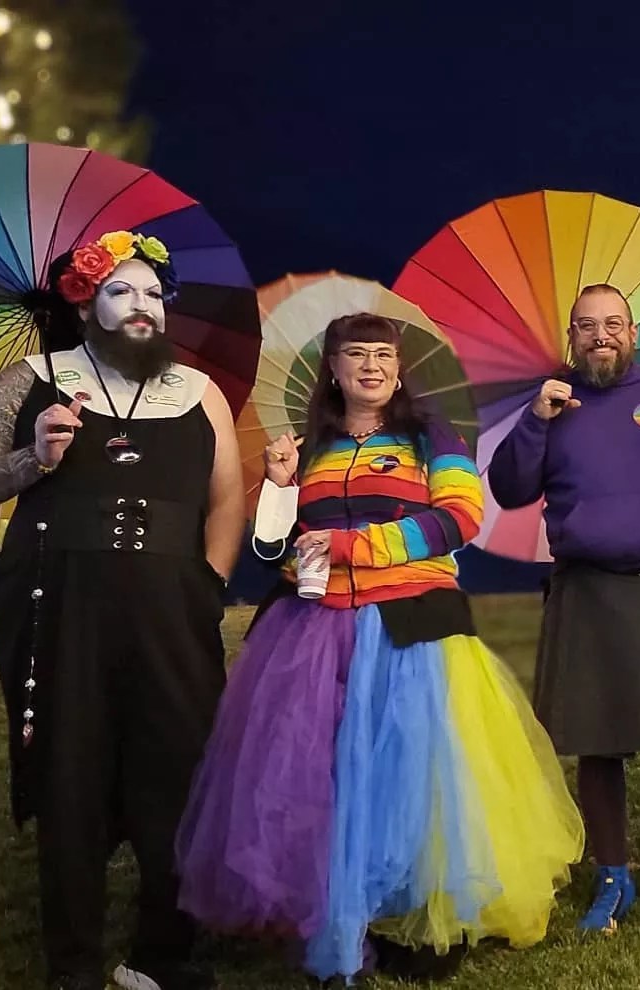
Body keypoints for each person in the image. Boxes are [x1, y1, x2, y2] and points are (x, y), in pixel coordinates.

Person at [173, 313, 584, 985]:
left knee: (416, 774)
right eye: (356, 354)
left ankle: (426, 920)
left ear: (399, 369)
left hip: (411, 624)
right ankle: (341, 922)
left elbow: (459, 518)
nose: (371, 366)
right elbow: (271, 550)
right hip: (313, 629)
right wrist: (279, 485)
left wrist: (354, 545)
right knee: (324, 775)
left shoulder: (431, 436)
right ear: (332, 370)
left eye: (383, 355)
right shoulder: (310, 446)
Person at [0, 230, 245, 990]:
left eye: (153, 293)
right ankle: (74, 964)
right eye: (121, 291)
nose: (142, 306)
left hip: (174, 614)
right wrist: (33, 458)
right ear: (84, 305)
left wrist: (206, 586)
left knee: (180, 767)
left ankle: (162, 955)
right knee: (69, 772)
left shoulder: (200, 391)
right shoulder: (30, 381)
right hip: (61, 610)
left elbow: (226, 500)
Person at [488, 283, 640, 935]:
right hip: (586, 592)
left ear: (633, 333)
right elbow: (509, 489)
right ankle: (612, 878)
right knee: (597, 744)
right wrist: (535, 419)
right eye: (587, 325)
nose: (601, 335)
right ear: (571, 337)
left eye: (613, 324)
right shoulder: (551, 405)